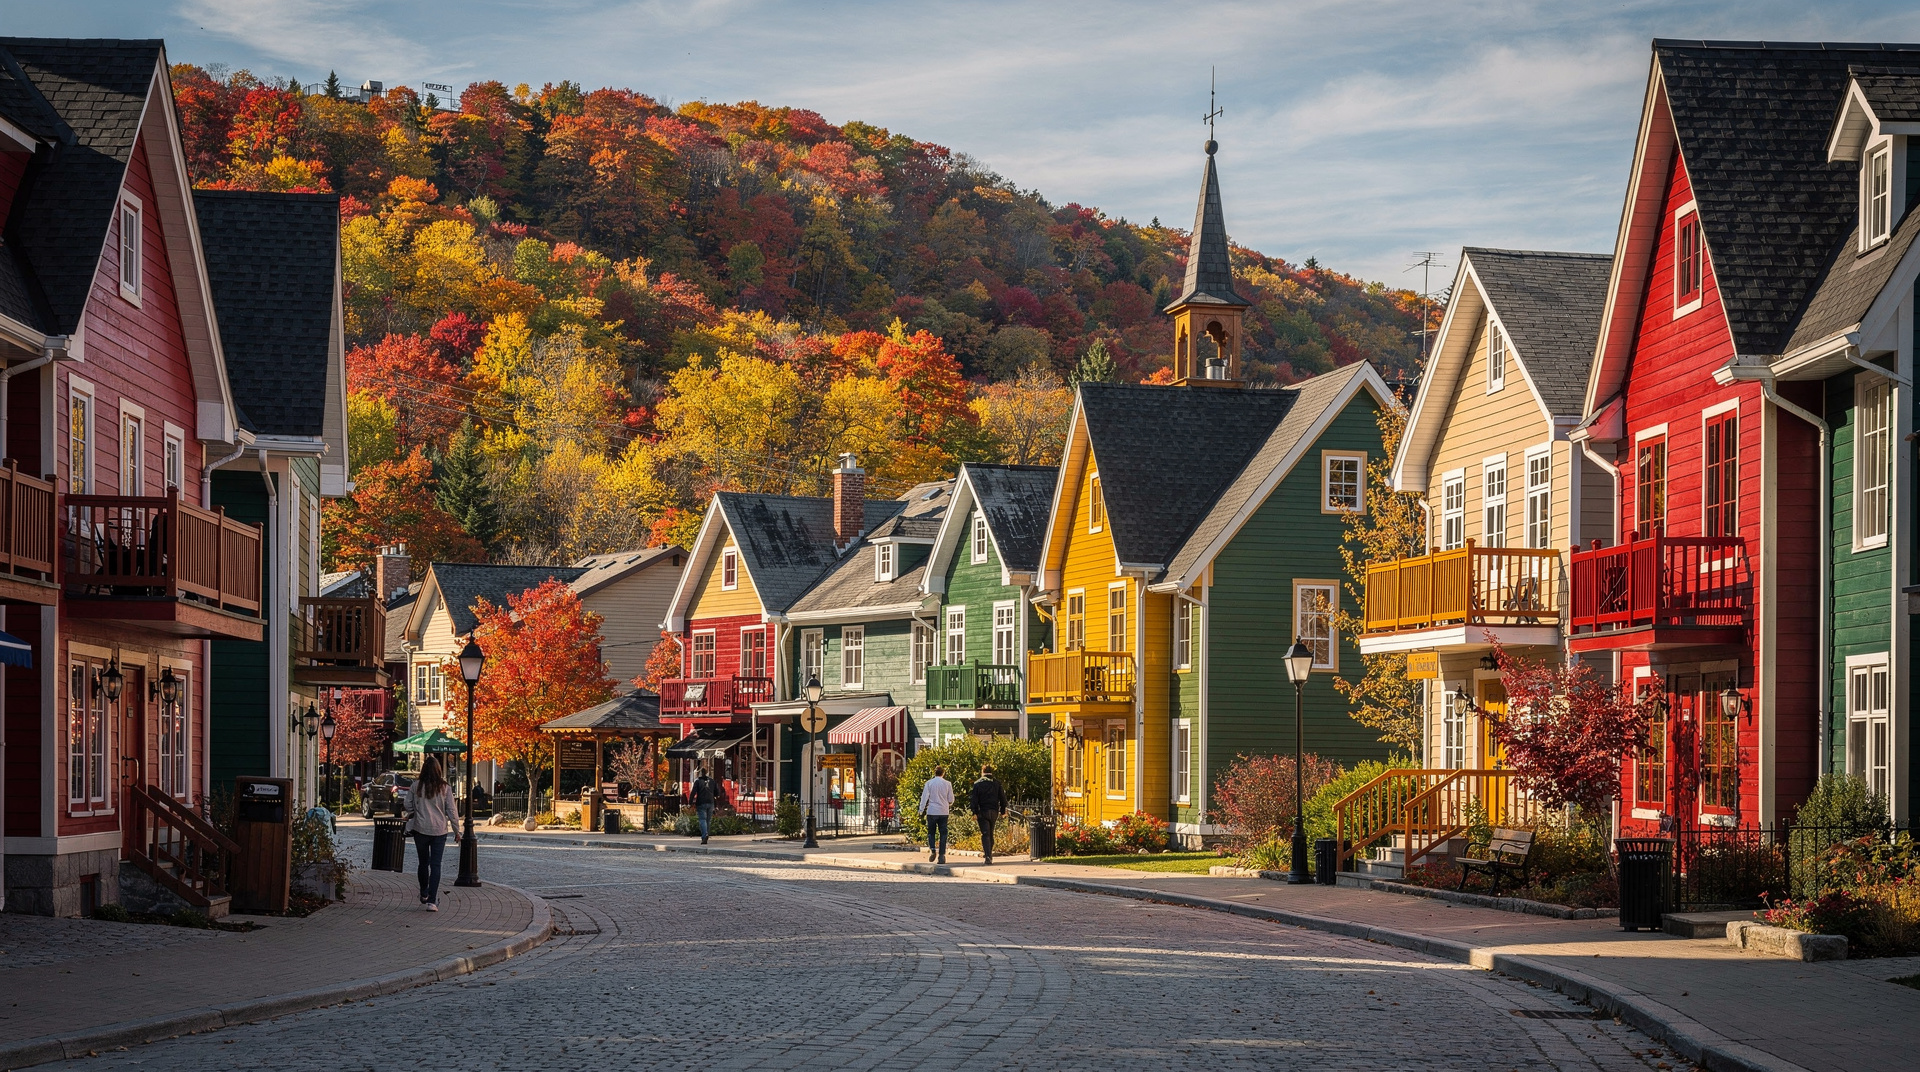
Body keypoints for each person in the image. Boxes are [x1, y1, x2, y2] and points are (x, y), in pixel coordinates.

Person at [403, 757, 457, 911]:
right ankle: (432, 901)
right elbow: (451, 810)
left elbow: (407, 804)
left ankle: (423, 891)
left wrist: (413, 812)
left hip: (421, 828)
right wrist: (457, 830)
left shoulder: (416, 786)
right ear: (438, 770)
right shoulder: (444, 788)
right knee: (436, 865)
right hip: (439, 830)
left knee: (423, 863)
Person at [969, 764, 1007, 865]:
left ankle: (988, 856)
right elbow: (1002, 798)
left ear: (982, 772)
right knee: (991, 832)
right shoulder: (997, 783)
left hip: (983, 811)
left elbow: (974, 799)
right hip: (994, 811)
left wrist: (974, 812)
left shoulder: (977, 784)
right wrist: (1003, 811)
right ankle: (989, 854)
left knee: (985, 833)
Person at [920, 765, 954, 864]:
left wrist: (921, 809)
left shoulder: (929, 783)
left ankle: (933, 849)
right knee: (943, 833)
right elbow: (951, 799)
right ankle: (942, 855)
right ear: (943, 773)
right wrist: (948, 803)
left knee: (931, 832)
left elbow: (924, 797)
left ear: (934, 773)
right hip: (943, 811)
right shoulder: (948, 784)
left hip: (932, 811)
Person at [691, 767, 719, 844]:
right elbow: (717, 793)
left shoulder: (698, 782)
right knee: (708, 820)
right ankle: (706, 834)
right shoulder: (712, 781)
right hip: (711, 802)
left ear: (700, 773)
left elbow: (693, 792)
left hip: (701, 802)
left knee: (702, 819)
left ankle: (704, 835)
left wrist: (690, 802)